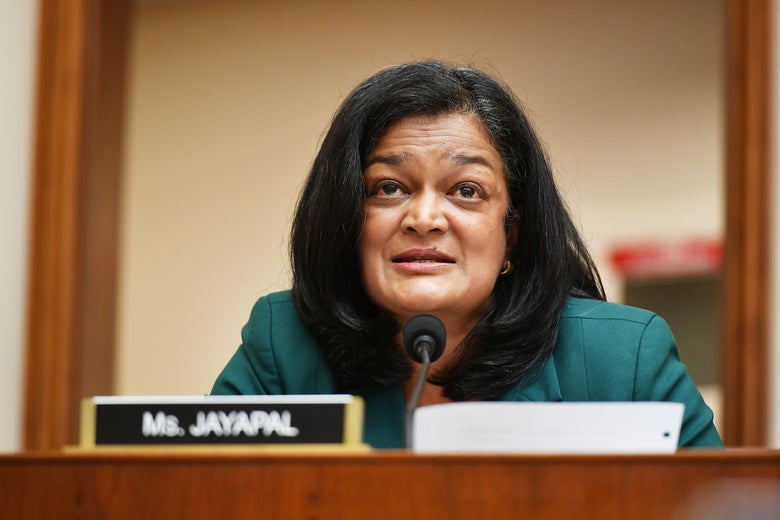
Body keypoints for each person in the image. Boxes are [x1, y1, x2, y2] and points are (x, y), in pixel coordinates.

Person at [211, 61, 722, 449]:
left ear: (513, 232)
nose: (425, 218)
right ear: (346, 218)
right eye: (389, 187)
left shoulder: (622, 359)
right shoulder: (283, 346)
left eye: (467, 191)